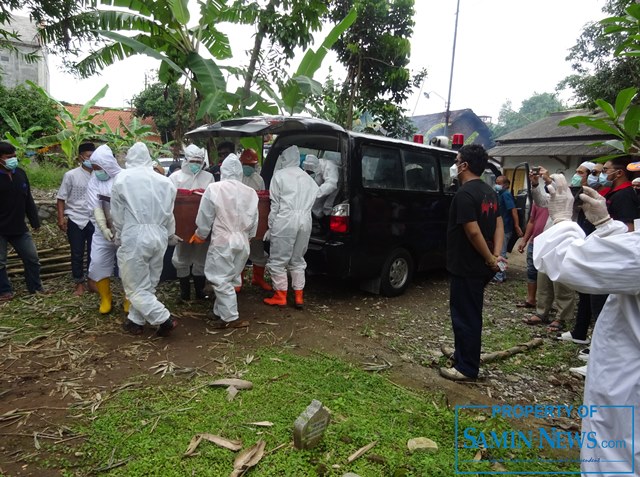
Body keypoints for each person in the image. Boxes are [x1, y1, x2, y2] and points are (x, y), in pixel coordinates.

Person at [533, 170, 640, 475]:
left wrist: (563, 220)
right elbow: (621, 259)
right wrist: (607, 226)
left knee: (617, 453)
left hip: (628, 380)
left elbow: (571, 262)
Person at [439, 145, 504, 382]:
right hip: (481, 265)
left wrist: (489, 257)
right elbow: (498, 224)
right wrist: (495, 255)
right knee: (468, 312)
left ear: (464, 165)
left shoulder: (464, 195)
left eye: (457, 160)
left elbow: (473, 231)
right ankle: (462, 354)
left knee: (465, 315)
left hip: (467, 265)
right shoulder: (488, 191)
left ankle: (466, 367)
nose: (454, 165)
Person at [111, 142, 179, 336]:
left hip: (135, 233)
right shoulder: (165, 182)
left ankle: (164, 318)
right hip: (159, 235)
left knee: (133, 287)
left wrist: (119, 234)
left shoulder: (122, 179)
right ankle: (135, 321)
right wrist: (169, 234)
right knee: (148, 284)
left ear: (130, 159)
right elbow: (169, 214)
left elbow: (117, 213)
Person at [190, 154, 258, 327]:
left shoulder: (214, 188)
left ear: (222, 170)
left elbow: (205, 215)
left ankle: (230, 318)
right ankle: (219, 312)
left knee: (219, 279)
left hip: (223, 240)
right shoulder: (250, 192)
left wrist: (200, 234)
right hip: (242, 240)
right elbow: (255, 219)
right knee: (230, 278)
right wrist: (249, 237)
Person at [522, 167, 576, 333]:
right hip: (549, 241)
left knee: (562, 282)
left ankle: (562, 316)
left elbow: (562, 195)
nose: (549, 183)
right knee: (543, 278)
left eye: (553, 181)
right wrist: (535, 184)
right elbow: (539, 201)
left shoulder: (568, 197)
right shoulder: (552, 197)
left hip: (564, 241)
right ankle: (541, 311)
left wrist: (547, 179)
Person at [263, 145, 319, 308]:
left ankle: (280, 296)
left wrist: (271, 227)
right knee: (297, 259)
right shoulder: (309, 179)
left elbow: (275, 206)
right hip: (305, 221)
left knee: (278, 260)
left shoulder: (279, 176)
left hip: (285, 219)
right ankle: (299, 296)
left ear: (284, 158)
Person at [0, 141, 46, 301]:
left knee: (32, 258)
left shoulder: (20, 173)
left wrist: (35, 221)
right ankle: (5, 291)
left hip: (19, 227)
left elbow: (28, 200)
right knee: (0, 262)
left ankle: (35, 287)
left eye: (14, 156)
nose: (13, 159)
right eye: (8, 157)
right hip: (0, 229)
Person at [169, 144, 214, 300]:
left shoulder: (208, 178)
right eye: (193, 160)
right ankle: (185, 292)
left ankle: (200, 292)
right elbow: (169, 204)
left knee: (201, 257)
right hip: (182, 225)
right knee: (182, 257)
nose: (196, 164)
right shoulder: (175, 178)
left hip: (202, 224)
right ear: (186, 160)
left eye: (198, 161)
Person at [86, 144, 122, 314]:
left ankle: (129, 300)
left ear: (107, 165)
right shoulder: (94, 179)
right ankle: (106, 299)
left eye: (98, 167)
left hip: (124, 230)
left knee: (127, 266)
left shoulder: (123, 178)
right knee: (98, 263)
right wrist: (103, 227)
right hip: (103, 231)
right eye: (93, 168)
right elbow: (95, 205)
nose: (96, 171)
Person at [56, 142, 96, 296]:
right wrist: (61, 218)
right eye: (88, 156)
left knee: (94, 252)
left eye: (94, 157)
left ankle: (92, 280)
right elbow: (61, 198)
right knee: (77, 252)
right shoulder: (71, 175)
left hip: (93, 218)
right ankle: (79, 282)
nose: (91, 160)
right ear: (81, 157)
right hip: (75, 217)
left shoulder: (99, 175)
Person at [239, 148, 271, 291]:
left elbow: (263, 201)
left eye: (251, 165)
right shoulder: (236, 178)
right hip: (238, 220)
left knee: (257, 249)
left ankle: (257, 279)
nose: (248, 168)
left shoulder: (258, 179)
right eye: (246, 164)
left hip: (255, 218)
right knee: (239, 251)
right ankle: (237, 281)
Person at [515, 202, 549, 308]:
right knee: (531, 270)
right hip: (535, 242)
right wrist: (524, 240)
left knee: (547, 273)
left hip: (549, 243)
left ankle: (546, 303)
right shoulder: (538, 201)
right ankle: (531, 299)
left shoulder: (559, 199)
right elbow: (531, 221)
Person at [492, 175, 523, 283]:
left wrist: (516, 225)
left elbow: (513, 210)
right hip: (500, 228)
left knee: (501, 252)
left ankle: (499, 275)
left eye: (499, 183)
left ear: (506, 185)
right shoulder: (499, 194)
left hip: (505, 228)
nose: (497, 185)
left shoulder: (506, 195)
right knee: (501, 251)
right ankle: (502, 274)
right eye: (496, 182)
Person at [599, 156, 640, 231]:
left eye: (605, 170)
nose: (601, 174)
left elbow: (629, 228)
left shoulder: (624, 195)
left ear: (619, 173)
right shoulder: (614, 193)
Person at [303, 154, 339, 218]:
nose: (310, 174)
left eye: (311, 172)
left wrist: (316, 194)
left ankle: (327, 218)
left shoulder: (329, 166)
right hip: (322, 185)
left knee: (328, 205)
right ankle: (318, 216)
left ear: (316, 167)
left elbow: (331, 184)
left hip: (338, 183)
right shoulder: (310, 168)